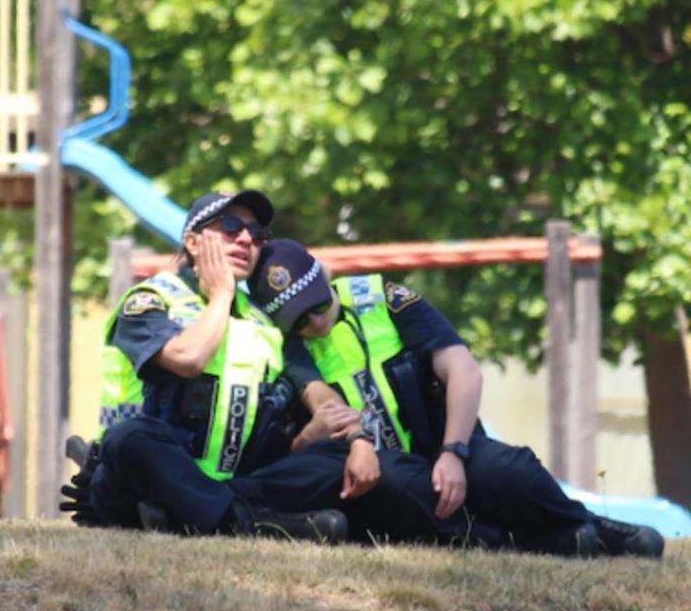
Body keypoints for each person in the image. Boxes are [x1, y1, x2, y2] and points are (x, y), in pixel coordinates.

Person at [61, 191, 457, 545]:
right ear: (193, 241)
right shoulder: (151, 300)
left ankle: (198, 519)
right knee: (131, 438)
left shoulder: (265, 322)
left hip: (237, 485)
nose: (247, 239)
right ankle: (251, 525)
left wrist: (357, 439)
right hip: (142, 479)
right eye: (230, 226)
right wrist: (220, 296)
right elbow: (188, 358)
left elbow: (317, 393)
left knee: (336, 460)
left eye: (257, 233)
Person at [246, 238, 665, 558]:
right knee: (398, 484)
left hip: (443, 445)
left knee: (507, 468)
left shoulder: (383, 299)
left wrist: (453, 452)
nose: (316, 322)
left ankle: (588, 525)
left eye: (317, 305)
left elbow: (462, 369)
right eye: (298, 320)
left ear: (326, 275)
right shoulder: (288, 348)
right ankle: (530, 542)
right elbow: (323, 402)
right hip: (383, 471)